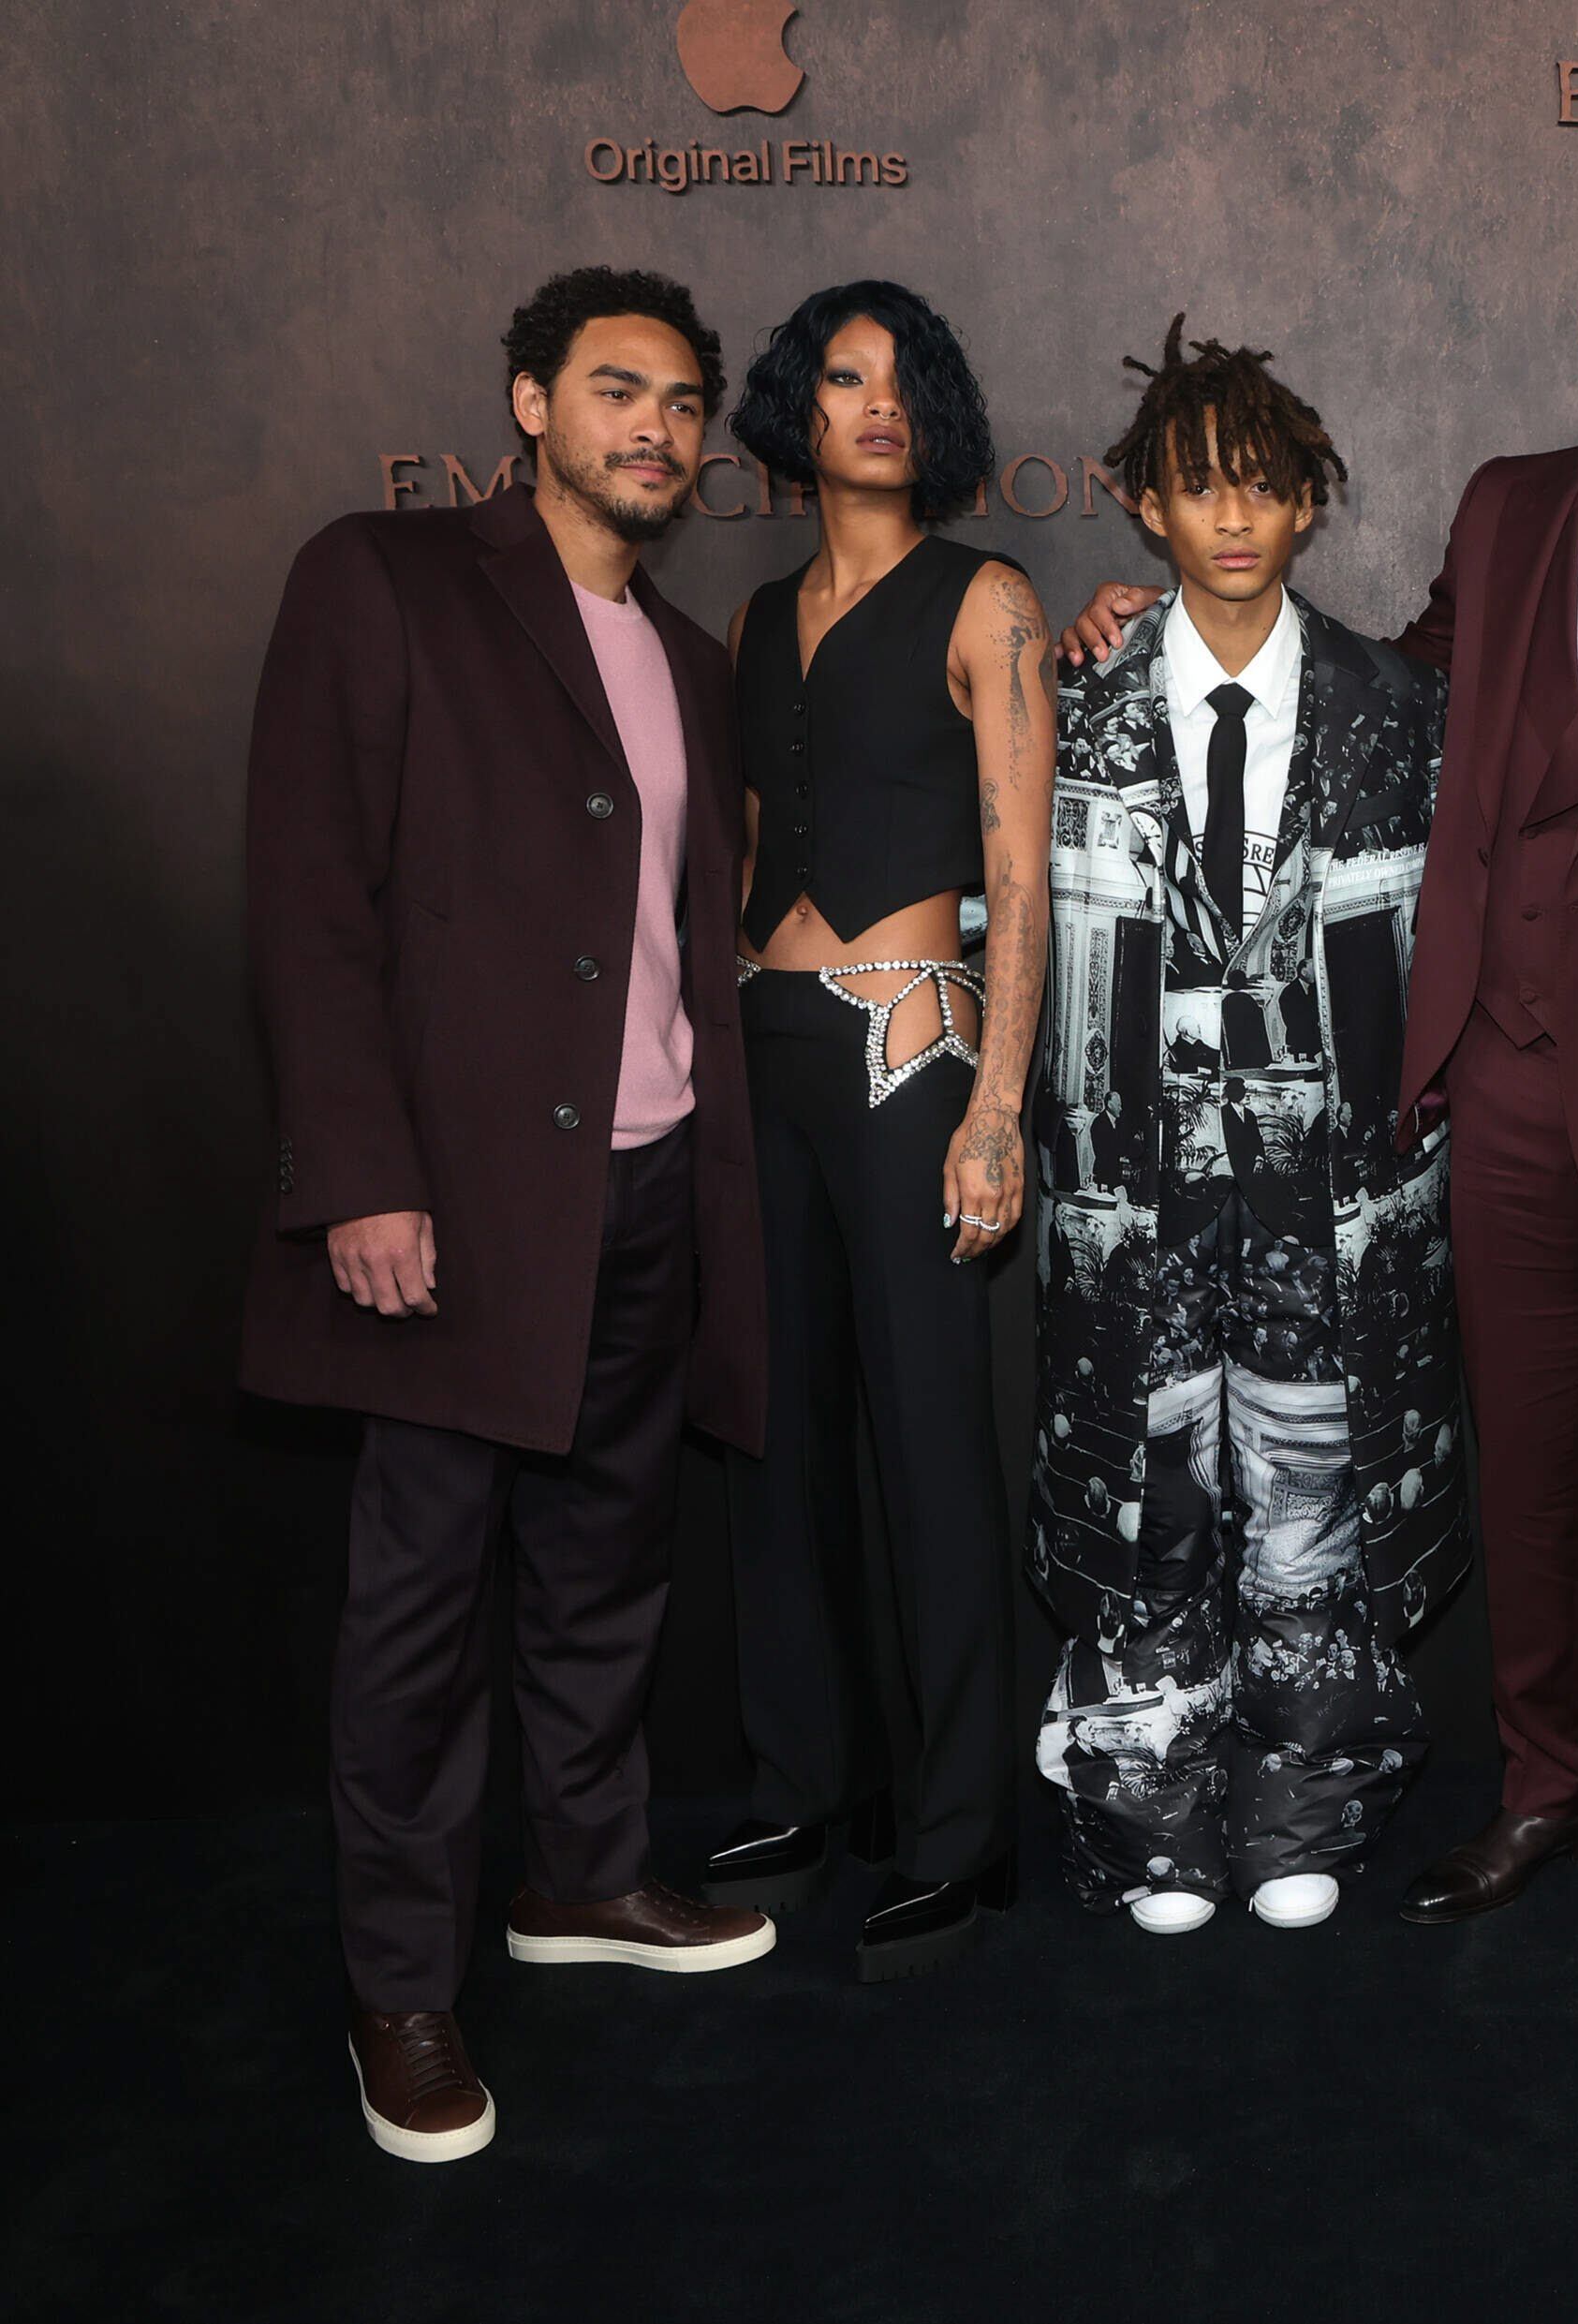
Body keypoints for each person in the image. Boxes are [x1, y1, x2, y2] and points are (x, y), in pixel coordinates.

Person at [1063, 188, 1578, 2001]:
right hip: (1502, 1092)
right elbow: (1395, 705)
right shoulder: (1508, 507)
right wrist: (1172, 631)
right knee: (1527, 1474)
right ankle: (1552, 1788)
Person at [242, 266, 776, 2165]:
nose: (658, 425)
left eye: (685, 402)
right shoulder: (385, 580)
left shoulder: (694, 662)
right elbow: (310, 899)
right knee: (417, 1610)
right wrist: (363, 1176)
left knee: (601, 1571)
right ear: (531, 403)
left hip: (647, 1189)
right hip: (459, 1206)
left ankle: (585, 1876)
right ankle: (400, 1985)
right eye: (619, 388)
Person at [1030, 319, 1468, 1936]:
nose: (1231, 516)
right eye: (1198, 486)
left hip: (1330, 1186)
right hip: (1134, 1188)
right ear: (1147, 505)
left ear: (1308, 510)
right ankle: (1146, 1809)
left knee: (1315, 1485)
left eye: (1265, 488)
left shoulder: (1391, 707)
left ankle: (1309, 1796)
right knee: (1153, 1487)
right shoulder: (1075, 702)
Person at [700, 281, 1054, 1983]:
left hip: (912, 1043)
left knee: (927, 1437)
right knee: (778, 1438)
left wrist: (997, 1101)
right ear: (796, 409)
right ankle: (799, 1780)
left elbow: (1019, 875)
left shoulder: (986, 597)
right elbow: (761, 833)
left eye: (907, 380)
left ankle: (964, 1824)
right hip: (762, 1041)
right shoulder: (763, 619)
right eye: (844, 378)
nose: (878, 405)